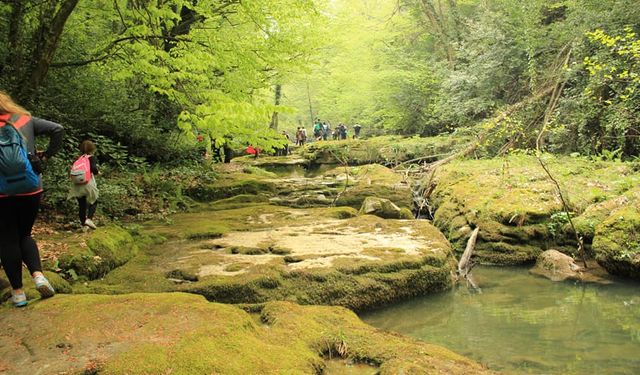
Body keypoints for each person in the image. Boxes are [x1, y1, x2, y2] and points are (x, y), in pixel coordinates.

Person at [0, 90, 64, 307]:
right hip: (30, 187)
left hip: (1, 192)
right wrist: (44, 156)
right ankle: (38, 276)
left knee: (8, 239)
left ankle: (18, 294)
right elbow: (57, 129)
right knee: (25, 234)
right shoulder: (24, 119)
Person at [68, 140, 100, 231]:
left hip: (77, 184)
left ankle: (83, 225)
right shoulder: (91, 157)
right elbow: (93, 168)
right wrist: (97, 172)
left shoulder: (79, 159)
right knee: (94, 201)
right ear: (92, 148)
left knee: (82, 205)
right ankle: (89, 219)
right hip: (87, 183)